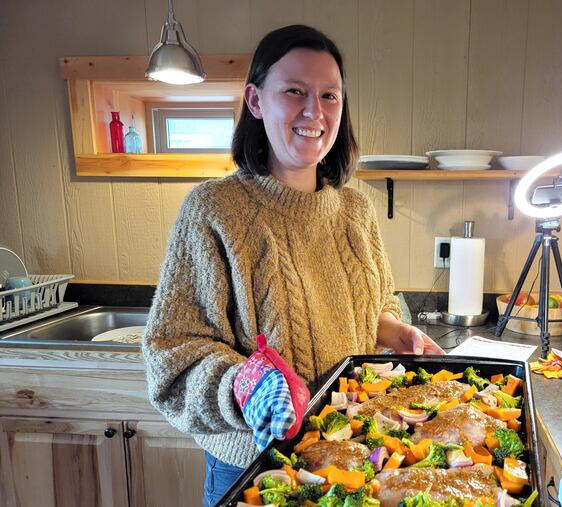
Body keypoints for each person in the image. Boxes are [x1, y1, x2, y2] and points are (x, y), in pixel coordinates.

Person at [141, 24, 445, 507]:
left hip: (355, 458)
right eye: (294, 91)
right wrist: (245, 385)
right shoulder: (214, 210)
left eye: (329, 96)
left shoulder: (355, 210)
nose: (314, 111)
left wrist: (396, 332)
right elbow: (173, 351)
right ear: (256, 101)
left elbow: (378, 304)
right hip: (256, 468)